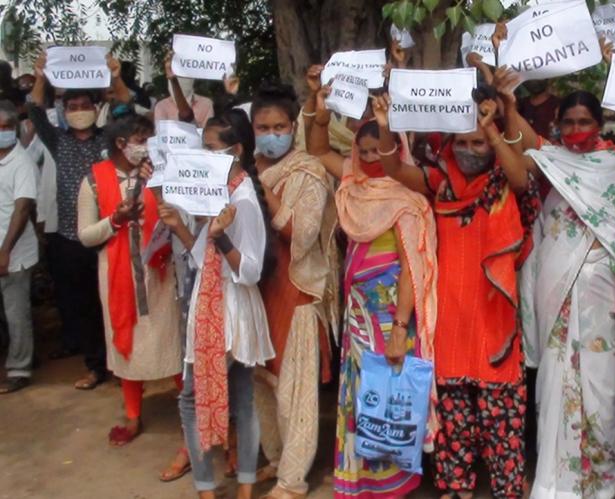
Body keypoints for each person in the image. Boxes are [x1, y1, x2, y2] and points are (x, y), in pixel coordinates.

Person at [375, 91, 538, 498]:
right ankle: (455, 487)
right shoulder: (440, 183)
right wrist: (383, 125)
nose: (469, 150)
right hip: (449, 320)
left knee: (501, 419)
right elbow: (394, 168)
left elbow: (522, 177)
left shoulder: (505, 183)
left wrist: (492, 131)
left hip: (494, 321)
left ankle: (506, 488)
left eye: (477, 143)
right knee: (453, 418)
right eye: (461, 142)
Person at [308, 76, 439, 498]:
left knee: (389, 399)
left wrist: (400, 329)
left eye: (379, 150)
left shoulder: (405, 197)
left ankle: (393, 484)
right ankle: (361, 480)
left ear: (397, 149)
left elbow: (409, 268)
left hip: (388, 320)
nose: (370, 159)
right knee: (363, 398)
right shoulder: (353, 184)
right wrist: (319, 105)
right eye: (362, 152)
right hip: (359, 318)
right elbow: (317, 149)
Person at [518, 91, 615, 498]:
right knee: (554, 388)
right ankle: (554, 486)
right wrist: (503, 102)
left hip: (600, 298)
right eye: (567, 123)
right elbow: (524, 156)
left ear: (599, 124)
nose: (575, 131)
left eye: (583, 122)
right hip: (556, 297)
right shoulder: (551, 164)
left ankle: (599, 486)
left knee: (601, 397)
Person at [162, 115, 272, 498]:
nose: (204, 155)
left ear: (235, 150)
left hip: (230, 308)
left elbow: (251, 269)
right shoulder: (219, 190)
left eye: (210, 148)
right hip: (212, 301)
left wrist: (222, 239)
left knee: (196, 398)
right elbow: (201, 255)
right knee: (239, 396)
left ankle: (212, 487)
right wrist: (179, 226)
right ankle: (235, 485)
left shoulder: (242, 198)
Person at [250, 80, 340, 499]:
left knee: (295, 392)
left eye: (279, 126)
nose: (271, 134)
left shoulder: (309, 171)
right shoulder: (246, 168)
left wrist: (266, 196)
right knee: (263, 383)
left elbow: (301, 236)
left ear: (292, 127)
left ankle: (293, 480)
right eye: (263, 127)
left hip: (298, 290)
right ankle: (276, 459)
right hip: (257, 293)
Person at [28, 50, 132, 390]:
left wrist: (115, 77)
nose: (78, 112)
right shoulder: (58, 141)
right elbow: (32, 110)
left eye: (84, 105)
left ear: (95, 107)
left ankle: (122, 365)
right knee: (85, 305)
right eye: (72, 107)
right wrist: (42, 77)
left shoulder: (108, 137)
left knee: (114, 302)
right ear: (64, 111)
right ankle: (95, 365)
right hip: (73, 238)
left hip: (111, 234)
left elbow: (128, 109)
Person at [76, 114, 181, 444]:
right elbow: (86, 235)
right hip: (118, 278)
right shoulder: (94, 179)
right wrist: (116, 220)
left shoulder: (160, 172)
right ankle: (133, 416)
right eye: (141, 138)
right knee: (127, 346)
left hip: (160, 274)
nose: (147, 145)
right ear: (121, 144)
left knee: (171, 342)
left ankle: (188, 410)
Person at [0, 100, 38, 394]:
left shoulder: (21, 162)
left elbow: (22, 209)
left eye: (5, 127)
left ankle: (19, 368)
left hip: (13, 252)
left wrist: (5, 250)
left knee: (16, 313)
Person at [154, 54, 214, 128]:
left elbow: (207, 134)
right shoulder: (161, 106)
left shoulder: (206, 104)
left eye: (183, 76)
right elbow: (162, 135)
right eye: (177, 77)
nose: (181, 81)